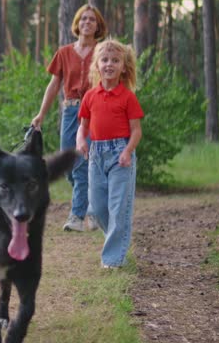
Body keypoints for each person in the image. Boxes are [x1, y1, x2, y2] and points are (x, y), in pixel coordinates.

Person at [31, 4, 107, 232]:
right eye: (83, 19)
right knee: (69, 163)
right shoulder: (64, 52)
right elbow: (54, 85)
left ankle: (78, 216)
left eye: (92, 20)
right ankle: (94, 208)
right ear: (77, 23)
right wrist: (41, 114)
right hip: (71, 110)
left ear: (98, 26)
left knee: (84, 162)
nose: (87, 23)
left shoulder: (103, 51)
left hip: (95, 111)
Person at [75, 39, 143, 269]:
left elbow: (136, 131)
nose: (109, 64)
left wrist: (127, 151)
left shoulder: (128, 97)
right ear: (97, 65)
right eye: (104, 60)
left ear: (123, 67)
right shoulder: (90, 96)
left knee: (118, 207)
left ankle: (113, 260)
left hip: (120, 156)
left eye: (115, 60)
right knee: (97, 207)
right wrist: (80, 140)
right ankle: (116, 240)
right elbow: (83, 126)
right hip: (96, 155)